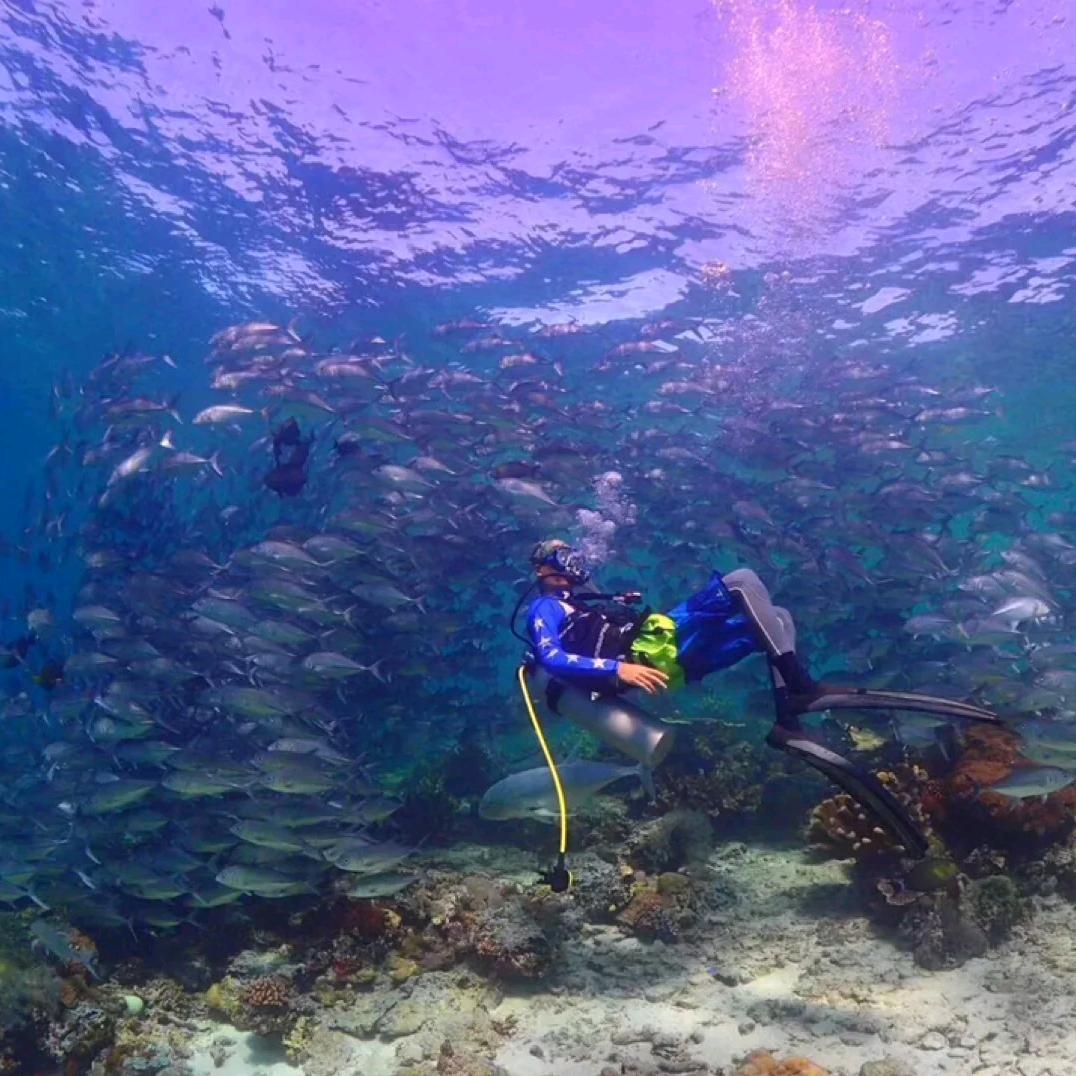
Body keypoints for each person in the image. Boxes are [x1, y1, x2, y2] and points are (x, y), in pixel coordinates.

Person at [523, 538, 1001, 856]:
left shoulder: (581, 602)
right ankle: (802, 688)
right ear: (547, 568)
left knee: (775, 616)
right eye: (565, 555)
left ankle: (789, 717)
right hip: (651, 650)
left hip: (675, 658)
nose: (577, 563)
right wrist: (618, 666)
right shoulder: (543, 607)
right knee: (743, 580)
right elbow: (551, 659)